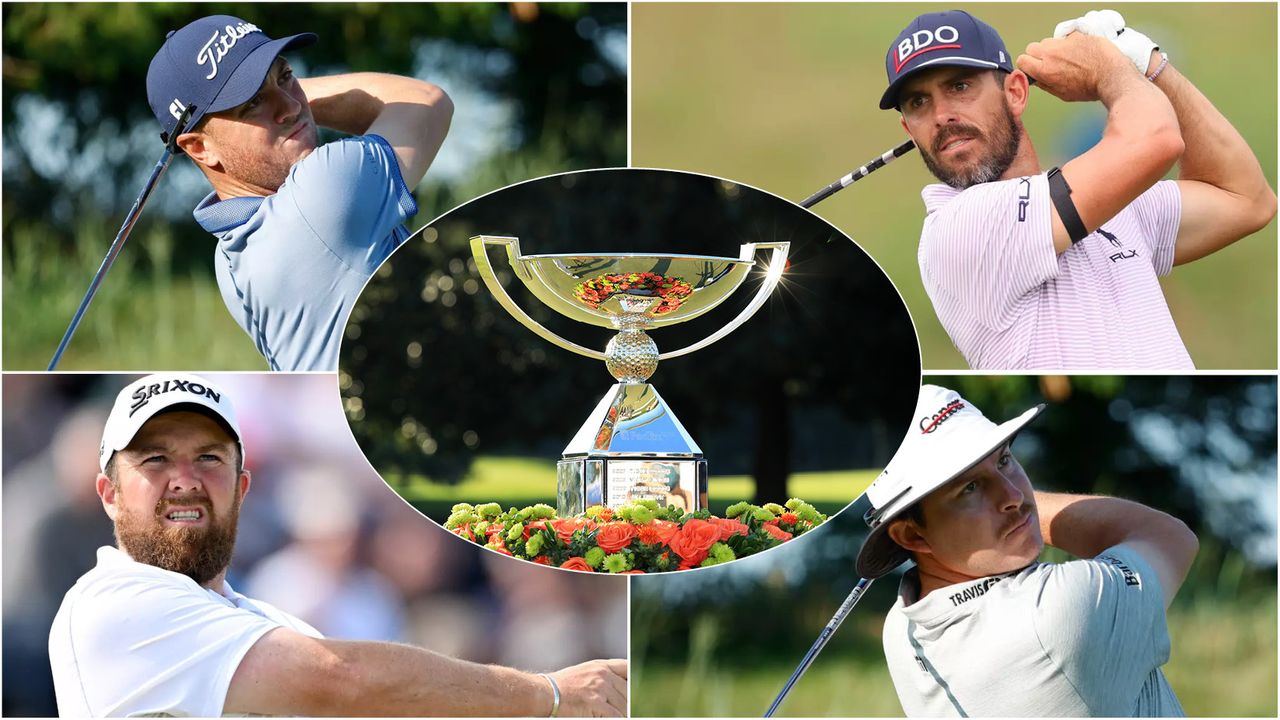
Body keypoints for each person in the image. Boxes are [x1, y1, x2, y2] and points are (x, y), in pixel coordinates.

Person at [48, 374, 627, 717]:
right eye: (154, 459)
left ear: (242, 486)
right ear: (109, 492)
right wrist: (550, 694)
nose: (185, 477)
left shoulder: (261, 616)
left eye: (208, 457)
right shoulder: (114, 602)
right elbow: (341, 678)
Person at [881, 10, 1276, 370]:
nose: (941, 116)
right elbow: (1157, 139)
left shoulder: (1108, 203)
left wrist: (1149, 64)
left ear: (1016, 92)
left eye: (960, 86)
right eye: (918, 102)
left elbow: (1246, 199)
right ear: (908, 131)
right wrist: (1114, 70)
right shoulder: (958, 228)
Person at [855, 385, 1199, 716]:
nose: (1014, 495)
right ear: (912, 536)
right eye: (970, 488)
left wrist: (1005, 510)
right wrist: (1027, 510)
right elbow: (1168, 537)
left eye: (1004, 460)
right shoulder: (1056, 612)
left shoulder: (901, 630)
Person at [146, 16, 454, 371]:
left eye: (287, 75)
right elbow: (427, 101)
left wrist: (263, 86)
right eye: (251, 103)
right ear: (199, 148)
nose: (292, 106)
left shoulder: (228, 257)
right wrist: (288, 85)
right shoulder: (323, 190)